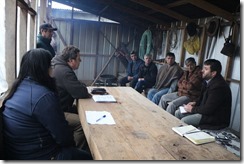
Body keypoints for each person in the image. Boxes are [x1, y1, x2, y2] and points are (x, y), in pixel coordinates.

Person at [1, 48, 92, 160]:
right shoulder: (44, 96)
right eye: (50, 66)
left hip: (16, 153)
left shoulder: (16, 88)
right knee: (88, 157)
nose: (52, 70)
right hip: (40, 156)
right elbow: (64, 138)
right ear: (44, 69)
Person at [51, 45, 91, 150]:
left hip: (57, 106)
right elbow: (80, 92)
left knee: (84, 113)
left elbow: (77, 85)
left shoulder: (58, 65)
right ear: (71, 60)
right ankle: (75, 152)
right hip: (58, 111)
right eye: (78, 59)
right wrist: (82, 86)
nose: (80, 61)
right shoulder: (65, 72)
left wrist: (79, 85)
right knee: (82, 124)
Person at [175, 59, 232, 130]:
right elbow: (202, 98)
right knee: (178, 113)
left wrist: (192, 109)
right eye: (203, 68)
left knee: (185, 120)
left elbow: (208, 109)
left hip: (214, 118)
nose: (202, 71)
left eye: (206, 69)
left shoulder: (219, 87)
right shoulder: (207, 81)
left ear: (213, 73)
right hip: (205, 112)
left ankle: (184, 138)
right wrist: (195, 103)